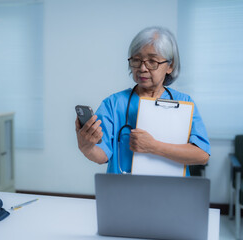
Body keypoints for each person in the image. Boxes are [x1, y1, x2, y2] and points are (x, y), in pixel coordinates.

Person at [75, 26, 210, 175]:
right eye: (136, 60)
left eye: (152, 61)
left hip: (171, 192)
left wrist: (154, 146)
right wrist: (86, 147)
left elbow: (202, 155)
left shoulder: (184, 103)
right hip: (124, 191)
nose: (142, 68)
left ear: (169, 66)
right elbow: (102, 155)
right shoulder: (113, 104)